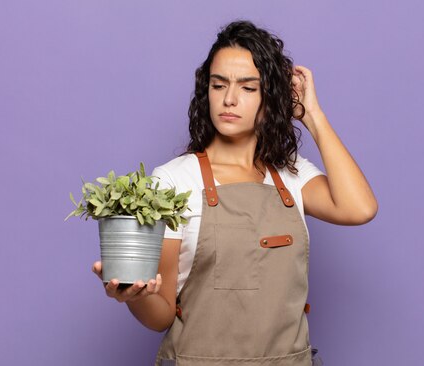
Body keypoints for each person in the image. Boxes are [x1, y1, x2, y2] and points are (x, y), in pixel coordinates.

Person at [92, 19, 378, 365]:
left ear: (270, 97)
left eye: (248, 88)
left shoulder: (291, 173)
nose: (229, 99)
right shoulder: (173, 181)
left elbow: (360, 208)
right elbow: (161, 315)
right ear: (206, 91)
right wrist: (134, 296)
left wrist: (312, 116)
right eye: (218, 85)